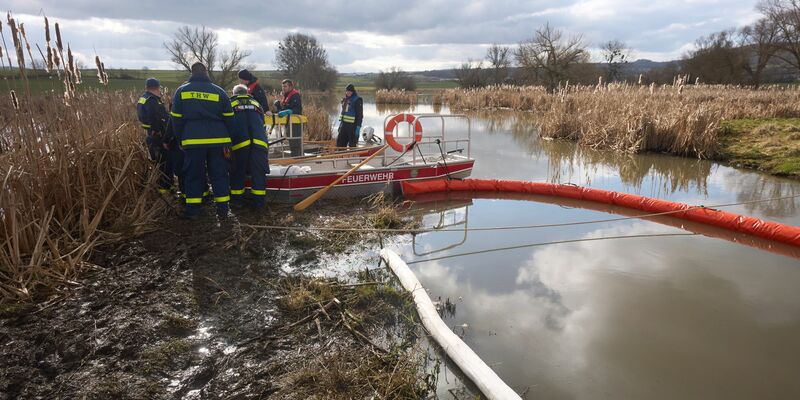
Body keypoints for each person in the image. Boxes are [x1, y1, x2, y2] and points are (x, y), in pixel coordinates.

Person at [170, 62, 236, 219]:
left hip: (192, 140)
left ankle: (193, 211)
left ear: (191, 72)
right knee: (219, 174)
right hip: (219, 140)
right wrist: (229, 140)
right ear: (206, 72)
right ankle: (223, 211)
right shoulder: (219, 91)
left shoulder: (181, 91)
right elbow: (230, 119)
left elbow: (176, 120)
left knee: (193, 175)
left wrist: (181, 139)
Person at [229, 84, 269, 209]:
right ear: (246, 92)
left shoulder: (230, 103)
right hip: (260, 143)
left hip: (240, 144)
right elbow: (262, 122)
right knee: (258, 173)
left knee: (237, 172)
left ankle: (237, 202)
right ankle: (259, 204)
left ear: (234, 93)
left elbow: (226, 124)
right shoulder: (256, 103)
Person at [136, 77, 175, 194]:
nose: (160, 91)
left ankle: (167, 186)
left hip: (151, 135)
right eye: (159, 88)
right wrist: (157, 130)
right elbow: (154, 116)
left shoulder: (143, 98)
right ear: (156, 88)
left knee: (158, 162)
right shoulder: (152, 100)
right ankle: (165, 189)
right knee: (164, 162)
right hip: (157, 136)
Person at [274, 79, 303, 156]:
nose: (283, 88)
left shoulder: (295, 95)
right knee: (291, 140)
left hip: (295, 122)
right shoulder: (286, 95)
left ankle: (297, 158)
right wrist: (278, 106)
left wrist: (289, 111)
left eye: (285, 86)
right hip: (289, 122)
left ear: (290, 87)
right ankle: (295, 156)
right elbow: (284, 109)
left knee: (295, 141)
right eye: (282, 86)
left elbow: (298, 109)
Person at [337, 83, 363, 147]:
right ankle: (340, 156)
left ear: (353, 92)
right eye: (347, 91)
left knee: (352, 145)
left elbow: (360, 115)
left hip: (353, 126)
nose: (348, 92)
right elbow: (344, 113)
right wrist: (341, 125)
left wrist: (358, 127)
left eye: (350, 91)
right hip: (344, 125)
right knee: (340, 143)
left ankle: (352, 156)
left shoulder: (357, 100)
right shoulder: (345, 100)